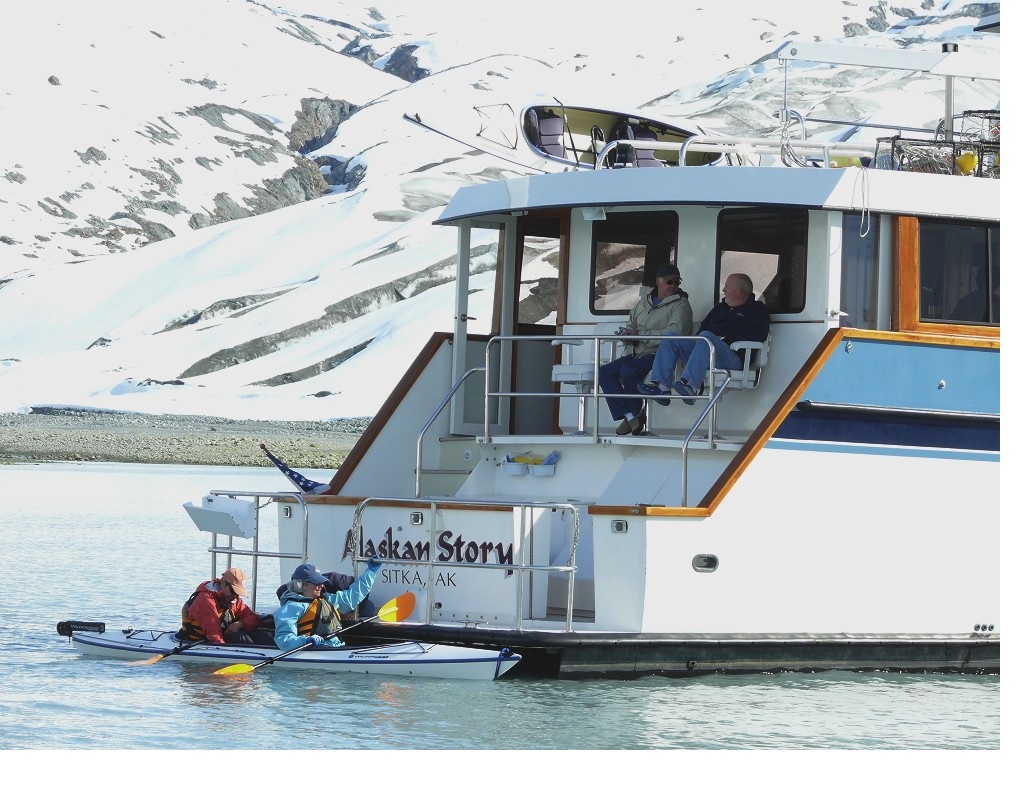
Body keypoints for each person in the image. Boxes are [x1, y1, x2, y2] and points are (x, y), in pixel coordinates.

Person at [638, 272, 769, 405]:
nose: (723, 290)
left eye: (727, 287)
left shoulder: (757, 310)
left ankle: (690, 386)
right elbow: (703, 328)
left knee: (707, 337)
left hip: (733, 357)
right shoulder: (721, 307)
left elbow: (758, 335)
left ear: (739, 291)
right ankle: (662, 388)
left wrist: (723, 336)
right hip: (705, 351)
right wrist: (715, 335)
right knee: (670, 337)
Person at [597, 263, 693, 435]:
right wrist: (627, 333)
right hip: (637, 353)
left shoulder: (681, 305)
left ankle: (633, 416)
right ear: (658, 281)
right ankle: (631, 416)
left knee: (629, 370)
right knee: (604, 372)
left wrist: (641, 334)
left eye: (677, 282)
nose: (673, 286)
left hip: (659, 355)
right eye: (670, 282)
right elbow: (631, 323)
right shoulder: (643, 302)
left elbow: (675, 333)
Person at [273, 560, 381, 651]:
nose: (321, 585)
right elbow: (284, 639)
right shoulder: (290, 608)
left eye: (321, 582)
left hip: (335, 647)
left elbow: (352, 596)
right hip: (313, 650)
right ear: (302, 585)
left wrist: (371, 572)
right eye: (316, 582)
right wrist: (306, 640)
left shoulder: (327, 599)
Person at [179, 567, 276, 646]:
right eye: (233, 591)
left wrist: (241, 624)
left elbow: (254, 618)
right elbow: (214, 635)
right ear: (223, 583)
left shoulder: (234, 600)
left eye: (238, 593)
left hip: (221, 635)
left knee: (257, 634)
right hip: (203, 641)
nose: (235, 596)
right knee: (239, 637)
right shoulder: (206, 600)